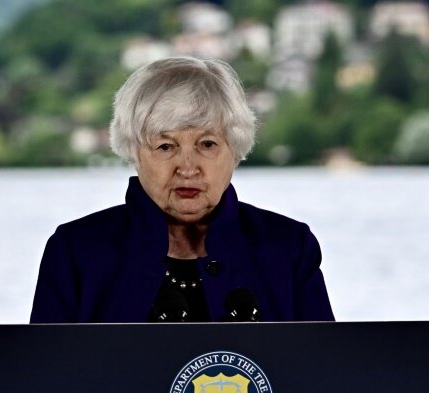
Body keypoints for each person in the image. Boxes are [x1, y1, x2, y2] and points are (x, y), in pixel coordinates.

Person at [30, 56, 334, 323]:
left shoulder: (289, 248)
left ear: (235, 149)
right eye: (166, 146)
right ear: (133, 152)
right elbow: (44, 370)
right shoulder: (75, 252)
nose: (188, 168)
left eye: (207, 144)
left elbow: (322, 367)